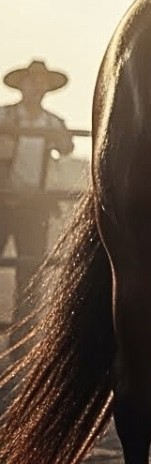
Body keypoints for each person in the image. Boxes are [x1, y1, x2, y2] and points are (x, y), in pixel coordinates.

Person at [0, 59, 74, 341]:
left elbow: (67, 147)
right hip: (3, 202)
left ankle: (21, 336)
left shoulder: (52, 122)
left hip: (33, 206)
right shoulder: (4, 116)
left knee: (30, 272)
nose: (37, 87)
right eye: (32, 80)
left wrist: (57, 138)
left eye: (42, 81)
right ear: (22, 86)